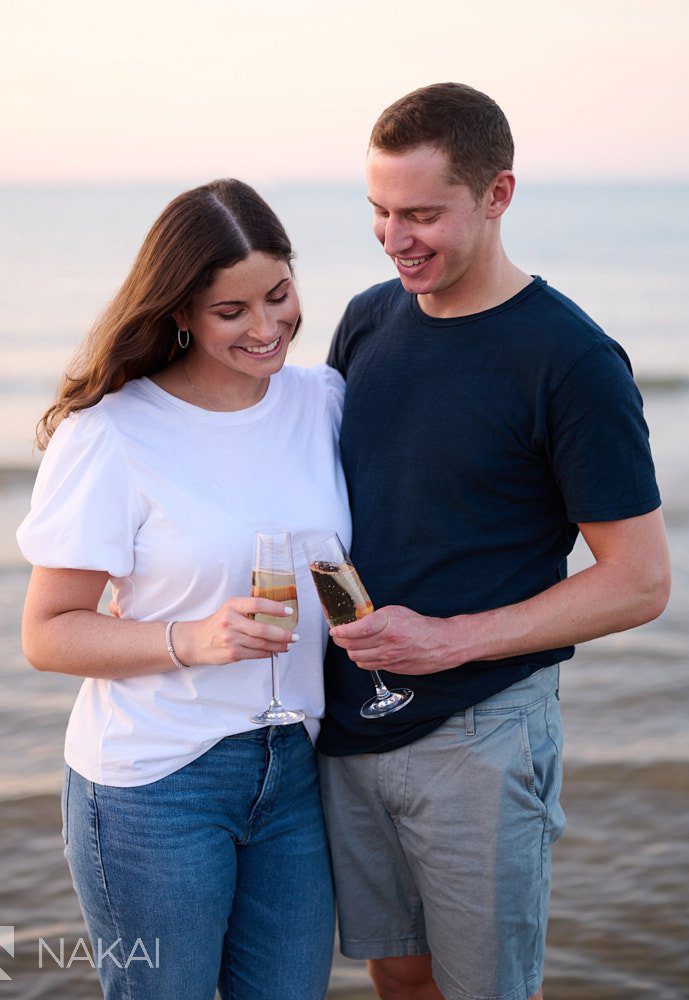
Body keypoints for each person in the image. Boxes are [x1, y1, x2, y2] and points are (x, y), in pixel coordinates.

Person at [316, 83, 671, 1000]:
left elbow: (637, 582)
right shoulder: (367, 319)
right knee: (397, 977)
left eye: (423, 215)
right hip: (350, 721)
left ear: (497, 195)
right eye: (380, 213)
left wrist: (449, 639)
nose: (396, 239)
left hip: (481, 731)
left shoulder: (571, 359)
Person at [16, 179, 348, 1000]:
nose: (267, 327)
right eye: (231, 311)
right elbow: (49, 632)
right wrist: (194, 639)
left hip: (296, 768)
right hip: (156, 783)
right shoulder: (112, 434)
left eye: (278, 295)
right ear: (181, 314)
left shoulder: (324, 401)